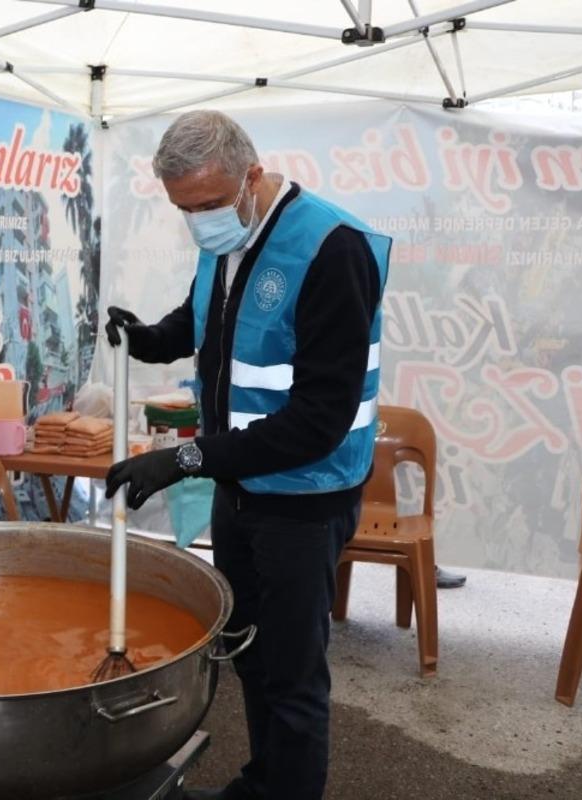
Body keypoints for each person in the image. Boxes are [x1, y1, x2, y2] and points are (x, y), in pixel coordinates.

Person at [104, 110, 388, 800]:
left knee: (292, 675)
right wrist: (146, 338)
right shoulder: (226, 232)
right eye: (183, 209)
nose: (197, 221)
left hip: (303, 497)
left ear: (250, 178)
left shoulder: (332, 249)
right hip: (241, 489)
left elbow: (318, 421)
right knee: (252, 657)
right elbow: (204, 321)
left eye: (205, 204)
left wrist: (184, 460)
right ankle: (265, 783)